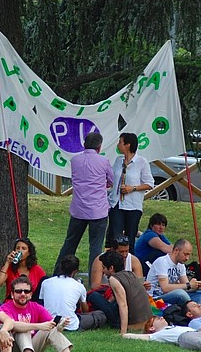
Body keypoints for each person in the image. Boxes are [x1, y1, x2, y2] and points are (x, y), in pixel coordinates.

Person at [53, 132, 114, 279]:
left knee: (70, 244)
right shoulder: (104, 161)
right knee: (95, 248)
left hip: (78, 209)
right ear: (99, 147)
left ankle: (58, 274)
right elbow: (111, 181)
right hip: (98, 210)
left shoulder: (75, 160)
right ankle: (95, 281)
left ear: (84, 144)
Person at [2, 276, 80, 352]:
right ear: (12, 294)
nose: (23, 294)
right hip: (12, 351)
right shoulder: (5, 308)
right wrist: (38, 326)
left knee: (50, 330)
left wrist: (61, 325)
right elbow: (12, 325)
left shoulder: (36, 307)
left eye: (26, 292)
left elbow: (52, 326)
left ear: (30, 294)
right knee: (23, 330)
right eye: (18, 291)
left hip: (32, 348)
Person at [106, 132, 154, 253]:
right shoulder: (118, 160)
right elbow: (112, 178)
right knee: (116, 237)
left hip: (133, 205)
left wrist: (132, 188)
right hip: (116, 203)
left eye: (120, 142)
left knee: (130, 238)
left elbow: (149, 183)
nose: (118, 145)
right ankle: (114, 265)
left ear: (128, 145)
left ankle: (129, 267)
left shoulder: (141, 162)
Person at [88, 251, 152, 334]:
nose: (103, 271)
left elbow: (123, 305)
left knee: (94, 295)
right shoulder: (131, 274)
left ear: (111, 268)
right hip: (147, 319)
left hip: (132, 323)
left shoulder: (113, 279)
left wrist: (123, 332)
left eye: (104, 267)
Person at [39, 254, 107, 331]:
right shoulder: (79, 286)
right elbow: (85, 310)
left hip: (48, 322)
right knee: (100, 315)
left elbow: (42, 303)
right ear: (75, 271)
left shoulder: (46, 282)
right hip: (71, 324)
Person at [146, 239, 201, 305]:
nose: (187, 258)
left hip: (173, 295)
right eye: (185, 254)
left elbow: (186, 287)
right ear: (176, 250)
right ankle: (189, 308)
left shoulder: (181, 265)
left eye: (189, 255)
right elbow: (165, 288)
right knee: (180, 294)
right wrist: (188, 285)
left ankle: (188, 307)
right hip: (157, 298)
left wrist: (196, 287)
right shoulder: (162, 262)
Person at [0, 237, 47, 302]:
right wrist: (7, 262)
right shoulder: (10, 268)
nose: (20, 251)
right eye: (17, 248)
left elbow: (46, 285)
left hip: (30, 304)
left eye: (23, 248)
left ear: (29, 253)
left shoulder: (36, 269)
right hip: (11, 303)